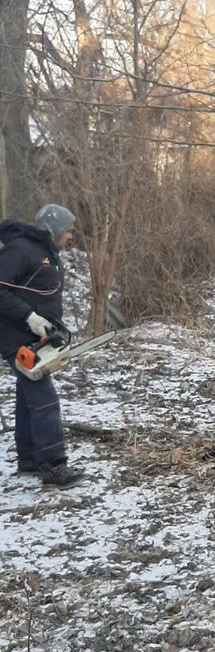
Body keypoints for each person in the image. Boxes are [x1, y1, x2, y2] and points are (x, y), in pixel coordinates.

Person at [0, 203, 84, 489]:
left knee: (27, 397)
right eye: (68, 230)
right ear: (53, 228)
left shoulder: (47, 253)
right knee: (45, 399)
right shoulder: (21, 249)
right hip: (15, 338)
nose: (71, 235)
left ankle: (30, 459)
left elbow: (40, 294)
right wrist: (28, 316)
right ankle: (53, 466)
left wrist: (52, 324)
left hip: (32, 337)